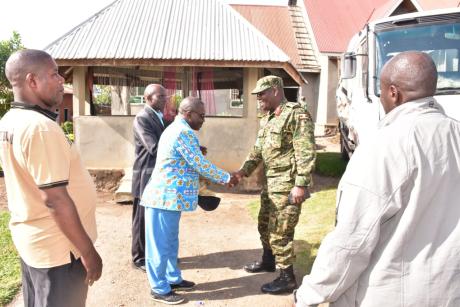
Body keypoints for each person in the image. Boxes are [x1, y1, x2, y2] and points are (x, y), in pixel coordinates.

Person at [294, 51, 460, 306]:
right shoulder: (455, 134)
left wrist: (308, 296)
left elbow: (352, 238)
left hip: (392, 294)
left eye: (381, 92)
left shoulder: (385, 145)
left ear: (394, 93)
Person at [0, 49, 102, 307]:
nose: (61, 81)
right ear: (32, 81)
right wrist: (88, 252)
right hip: (59, 251)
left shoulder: (11, 120)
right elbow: (55, 200)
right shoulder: (39, 127)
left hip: (38, 243)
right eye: (54, 74)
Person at [140, 97, 237, 304]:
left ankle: (172, 279)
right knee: (159, 245)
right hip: (162, 198)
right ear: (188, 114)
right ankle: (159, 288)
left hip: (171, 200)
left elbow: (190, 160)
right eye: (201, 115)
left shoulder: (179, 130)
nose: (204, 119)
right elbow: (200, 164)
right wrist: (227, 178)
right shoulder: (182, 132)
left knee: (170, 242)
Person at [234, 75, 316, 294]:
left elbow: (305, 150)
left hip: (288, 185)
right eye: (257, 95)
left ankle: (287, 278)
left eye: (262, 94)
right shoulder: (268, 118)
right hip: (271, 185)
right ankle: (268, 261)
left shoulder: (296, 114)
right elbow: (258, 149)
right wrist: (243, 171)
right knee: (264, 225)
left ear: (276, 90)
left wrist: (301, 184)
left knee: (281, 232)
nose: (258, 98)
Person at [131, 84, 168, 271]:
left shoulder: (160, 117)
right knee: (141, 218)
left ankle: (152, 254)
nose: (165, 99)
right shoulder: (142, 118)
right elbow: (153, 146)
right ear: (148, 98)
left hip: (156, 175)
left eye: (165, 96)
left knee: (153, 217)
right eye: (161, 96)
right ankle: (139, 258)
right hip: (145, 175)